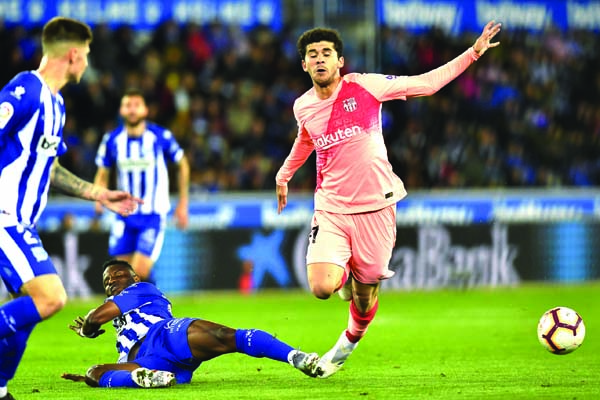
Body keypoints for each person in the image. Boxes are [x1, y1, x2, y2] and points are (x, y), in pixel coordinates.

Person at [275, 21, 502, 378]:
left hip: (377, 206)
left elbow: (426, 84)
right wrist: (284, 174)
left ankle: (346, 344)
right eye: (312, 55)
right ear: (304, 65)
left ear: (340, 61)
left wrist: (473, 53)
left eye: (326, 53)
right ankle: (343, 273)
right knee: (321, 287)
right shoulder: (302, 106)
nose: (319, 59)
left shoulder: (366, 85)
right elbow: (306, 140)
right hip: (331, 207)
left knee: (364, 297)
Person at [0, 17, 142, 400]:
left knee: (23, 317)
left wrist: (98, 193)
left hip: (20, 221)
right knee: (51, 298)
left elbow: (51, 168)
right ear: (75, 54)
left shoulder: (57, 105)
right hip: (4, 218)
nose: (89, 63)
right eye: (88, 55)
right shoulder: (25, 88)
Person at [61, 259, 321, 388]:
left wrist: (87, 330)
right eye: (107, 280)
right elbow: (100, 319)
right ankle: (146, 379)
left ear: (134, 277)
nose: (112, 281)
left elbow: (95, 318)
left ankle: (295, 356)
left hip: (163, 336)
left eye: (118, 275)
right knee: (93, 373)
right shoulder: (120, 307)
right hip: (144, 360)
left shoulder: (141, 289)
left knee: (225, 336)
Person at [94, 88, 190, 282]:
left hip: (152, 215)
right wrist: (98, 197)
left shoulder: (160, 137)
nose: (132, 110)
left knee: (138, 272)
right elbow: (102, 173)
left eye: (136, 105)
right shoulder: (112, 140)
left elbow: (183, 164)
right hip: (124, 215)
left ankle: (152, 303)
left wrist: (183, 203)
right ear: (121, 110)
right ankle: (148, 306)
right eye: (128, 105)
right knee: (121, 277)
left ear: (145, 110)